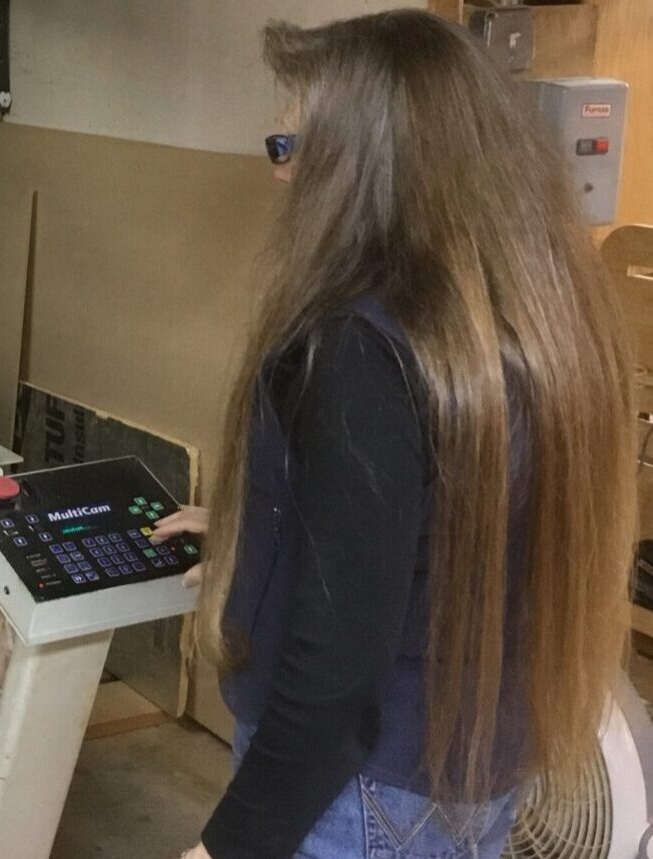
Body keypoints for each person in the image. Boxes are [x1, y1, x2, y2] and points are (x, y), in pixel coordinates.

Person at [153, 10, 637, 859]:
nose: (282, 174)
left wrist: (228, 845)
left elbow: (336, 675)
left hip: (356, 803)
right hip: (467, 781)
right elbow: (432, 528)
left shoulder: (357, 352)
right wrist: (260, 525)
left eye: (292, 147)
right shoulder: (523, 327)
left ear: (362, 169)